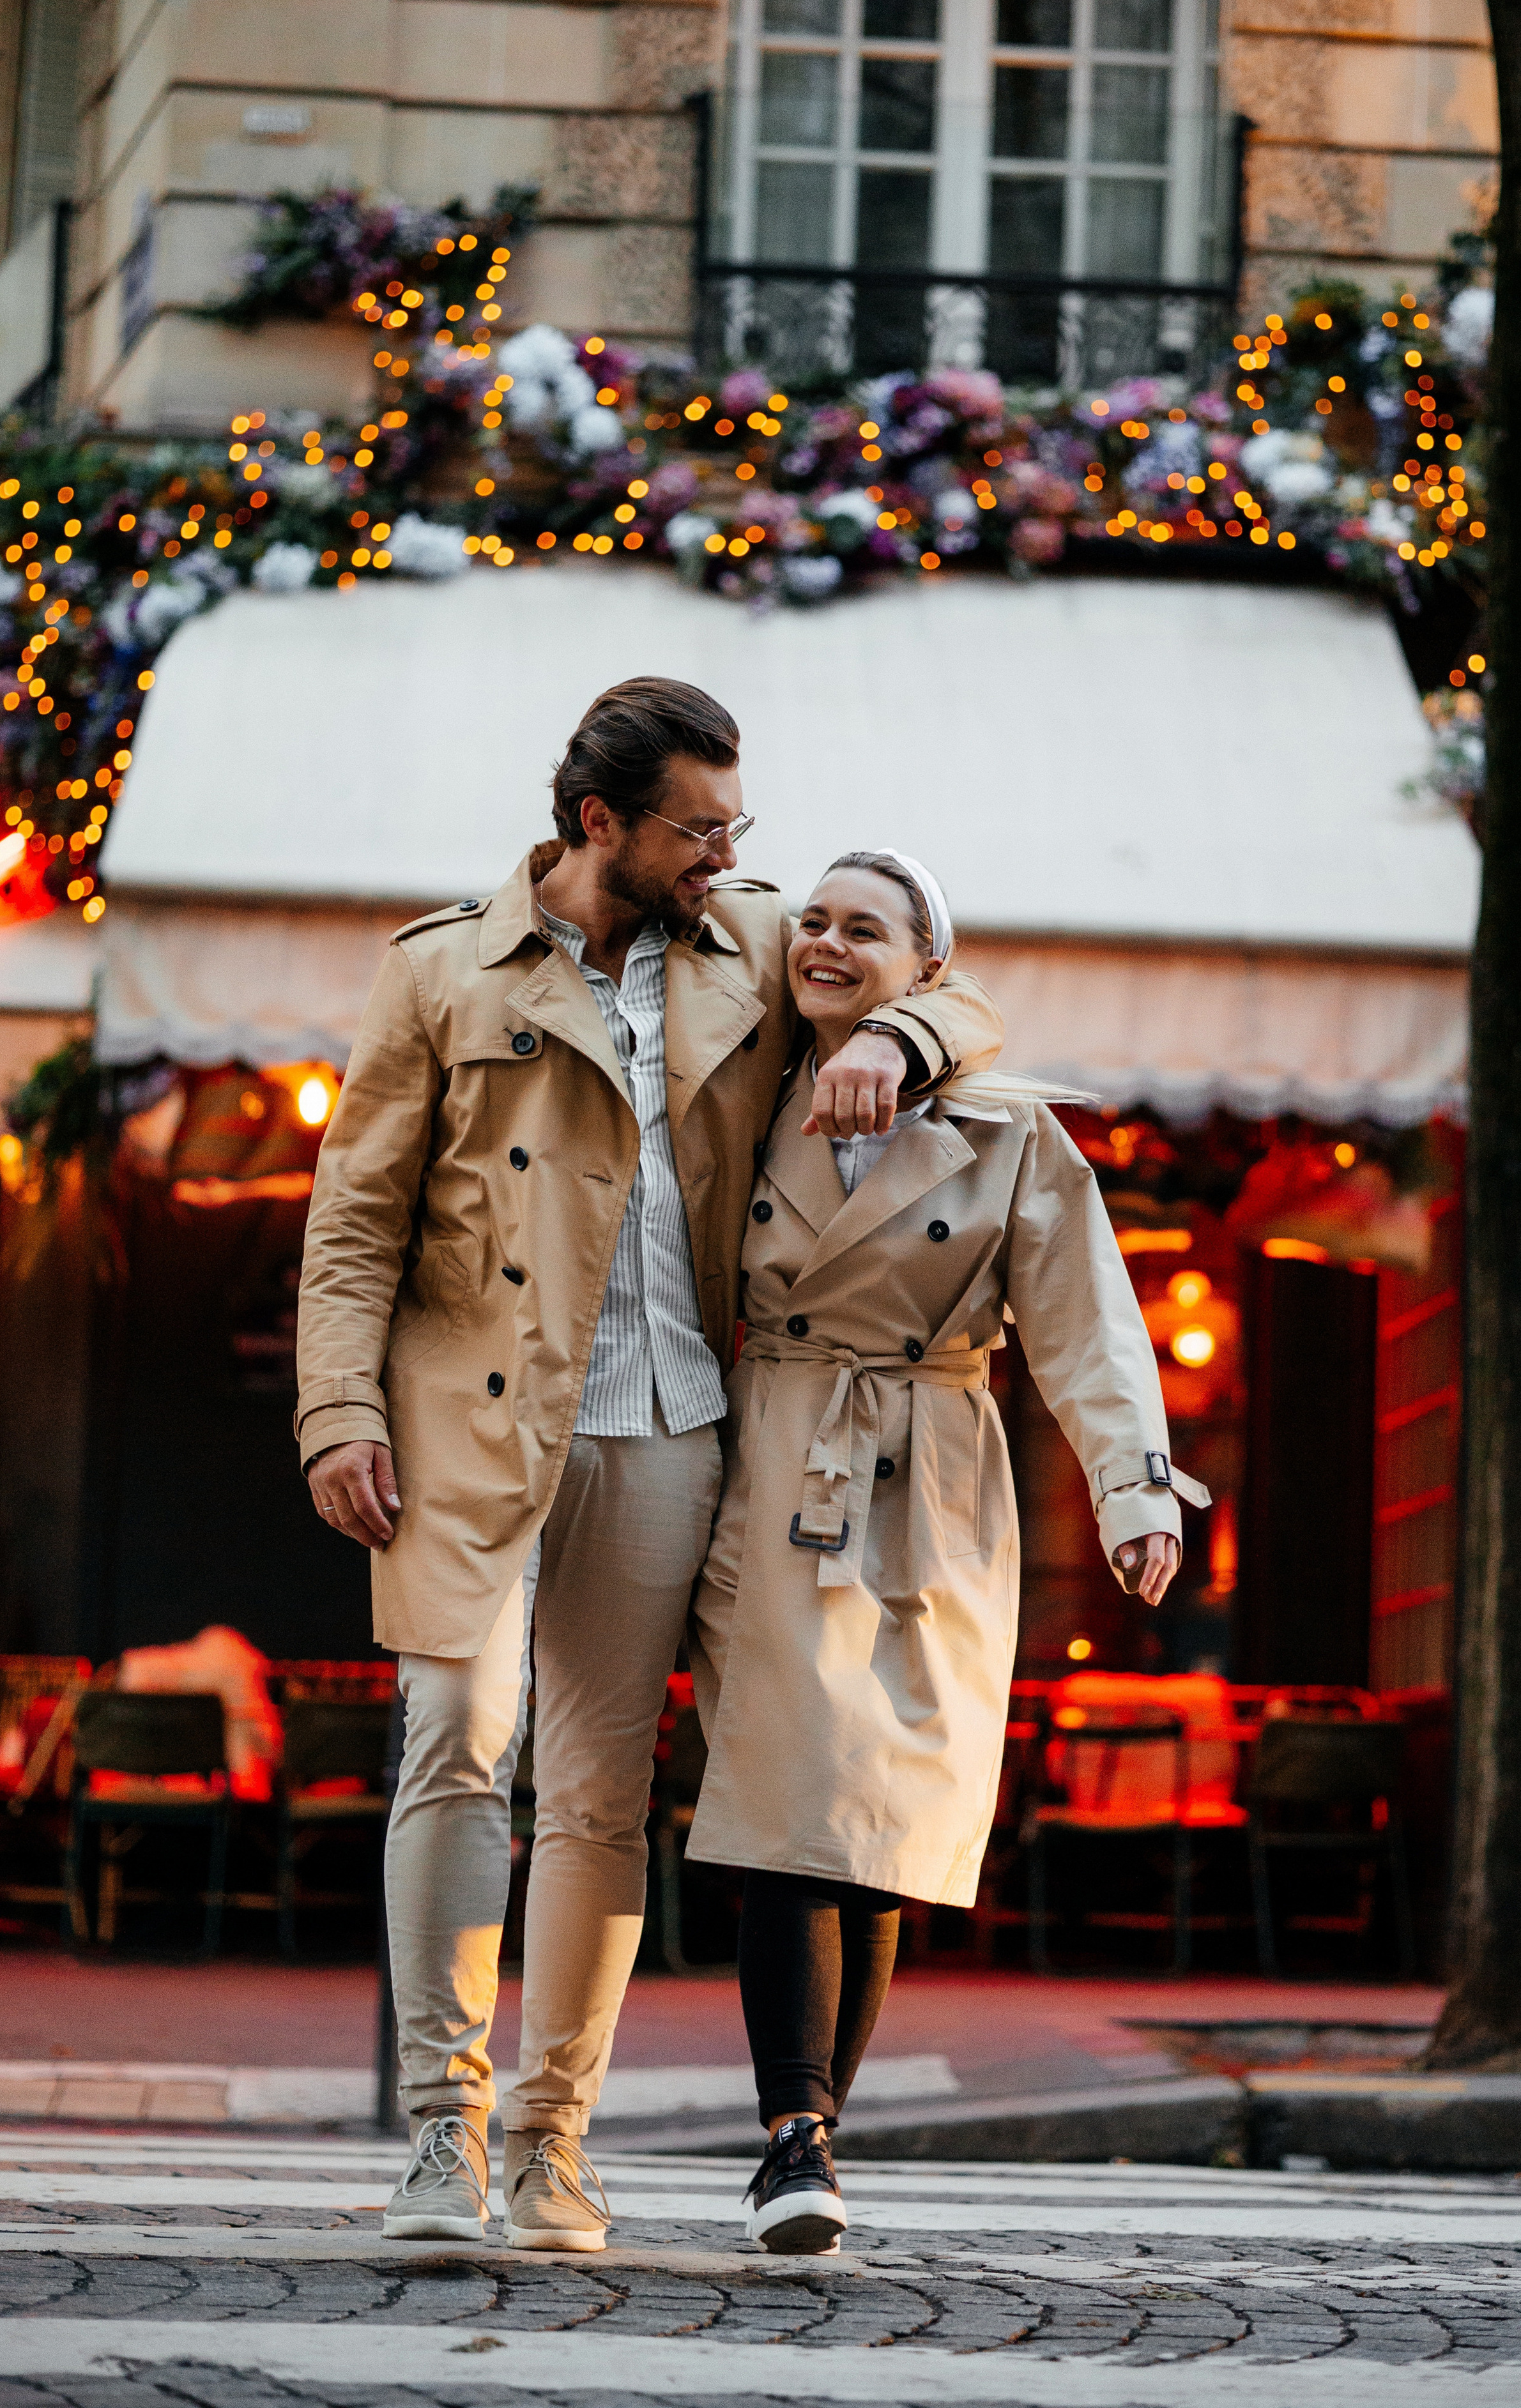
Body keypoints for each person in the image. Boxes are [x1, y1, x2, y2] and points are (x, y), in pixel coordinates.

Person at [294, 683, 1002, 2252]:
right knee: (454, 1751)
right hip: (462, 1425)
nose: (727, 855)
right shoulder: (437, 972)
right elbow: (352, 1224)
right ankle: (441, 2138)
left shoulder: (746, 940)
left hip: (670, 1421)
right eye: (699, 828)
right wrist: (336, 1414)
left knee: (600, 1800)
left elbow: (961, 1000)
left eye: (735, 828)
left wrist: (889, 1030)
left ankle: (550, 2143)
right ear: (599, 822)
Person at [683, 849, 1207, 2255]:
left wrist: (1134, 1494)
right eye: (815, 924)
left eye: (865, 929)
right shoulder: (744, 1092)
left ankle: (814, 2145)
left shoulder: (1009, 1133)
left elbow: (1087, 1324)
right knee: (793, 1801)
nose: (826, 944)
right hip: (785, 1454)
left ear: (928, 966)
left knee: (875, 1823)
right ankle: (793, 2133)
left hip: (933, 1475)